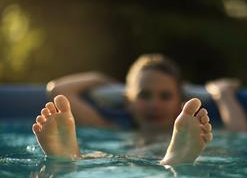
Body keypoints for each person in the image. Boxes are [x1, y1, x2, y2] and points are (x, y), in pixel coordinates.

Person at [32, 54, 213, 165]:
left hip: (121, 164)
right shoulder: (109, 127)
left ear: (179, 103)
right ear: (128, 101)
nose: (154, 104)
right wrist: (101, 78)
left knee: (101, 159)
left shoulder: (109, 129)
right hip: (129, 160)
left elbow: (240, 130)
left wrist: (224, 96)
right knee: (100, 157)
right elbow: (58, 90)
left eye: (165, 96)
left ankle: (69, 161)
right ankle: (173, 162)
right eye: (144, 95)